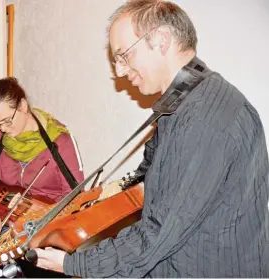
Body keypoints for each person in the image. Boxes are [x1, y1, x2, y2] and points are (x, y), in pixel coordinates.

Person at [34, 0, 269, 277]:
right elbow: (149, 189)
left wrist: (75, 264)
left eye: (124, 56)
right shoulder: (183, 106)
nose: (119, 71)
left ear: (161, 41)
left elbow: (160, 230)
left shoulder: (206, 115)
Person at [0, 77, 84, 277]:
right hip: (11, 229)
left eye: (7, 121)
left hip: (49, 233)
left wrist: (40, 223)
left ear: (23, 105)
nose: (2, 129)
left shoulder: (60, 142)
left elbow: (74, 198)